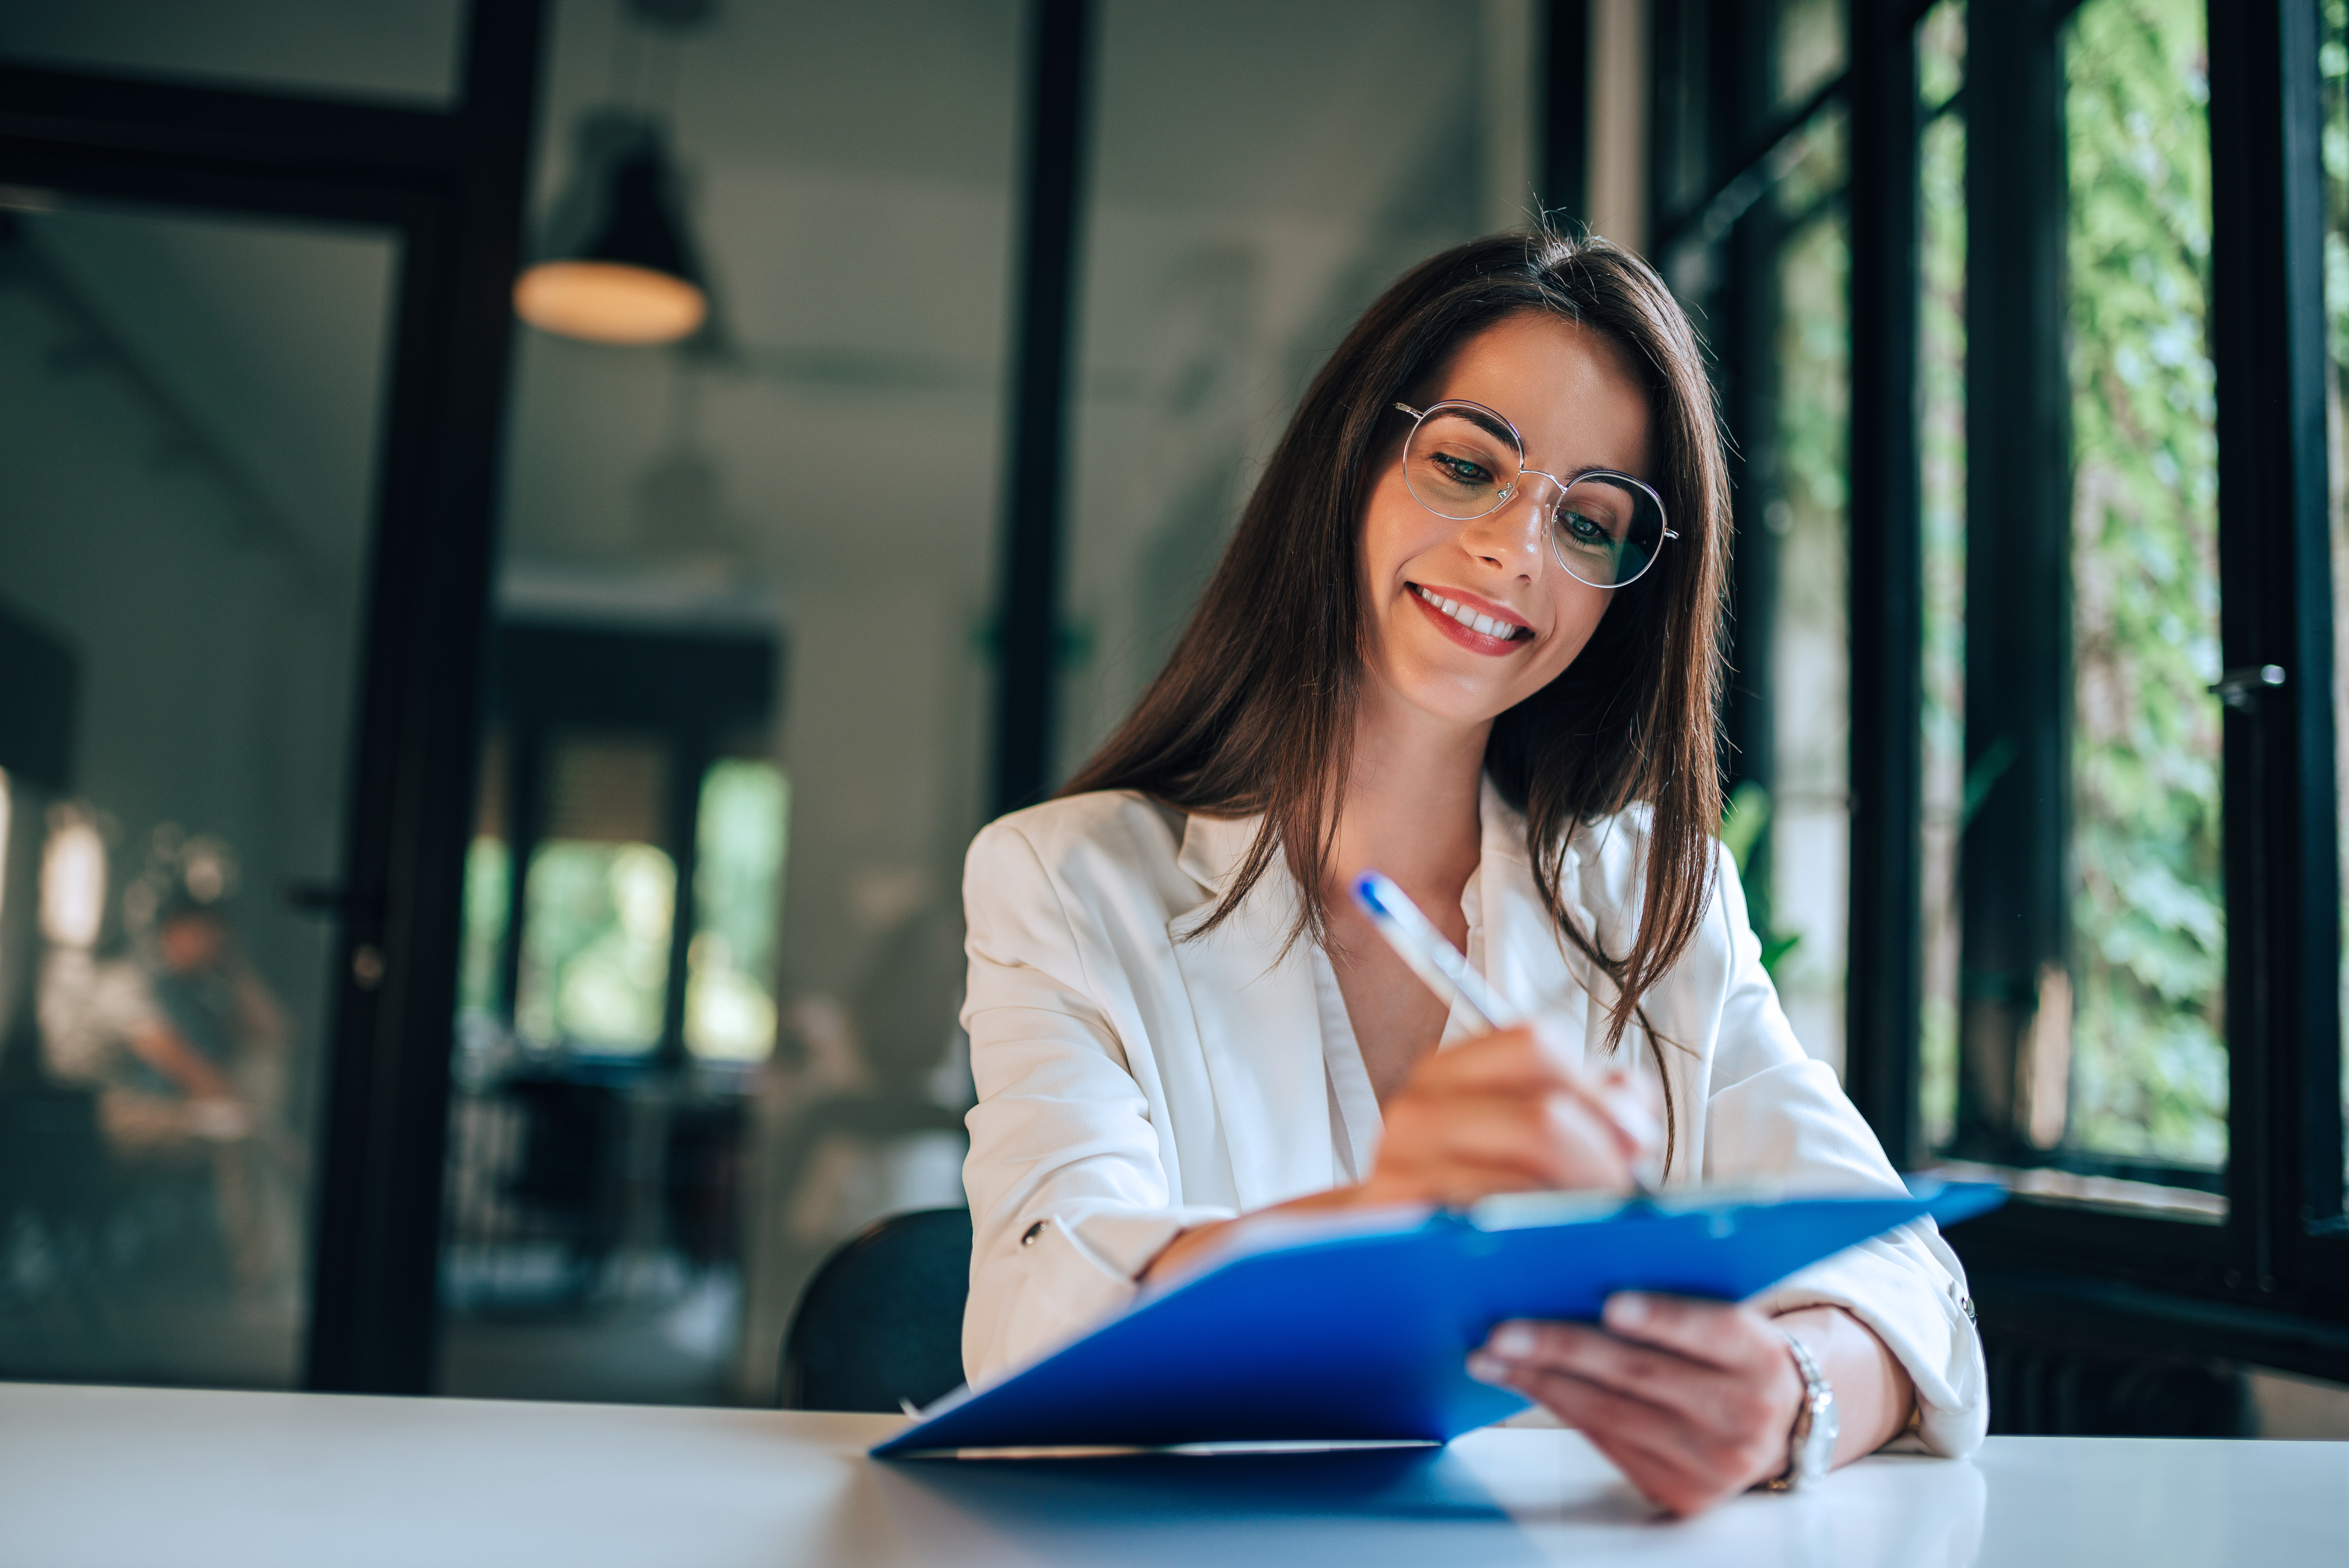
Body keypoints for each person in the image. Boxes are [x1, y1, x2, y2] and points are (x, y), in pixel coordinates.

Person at [956, 229, 1984, 1517]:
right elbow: (1032, 1328)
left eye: (1591, 521)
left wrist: (1790, 1393)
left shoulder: (1657, 906)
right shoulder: (1066, 885)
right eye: (1466, 465)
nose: (1517, 551)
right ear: (1352, 464)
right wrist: (1383, 1219)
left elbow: (1914, 1285)